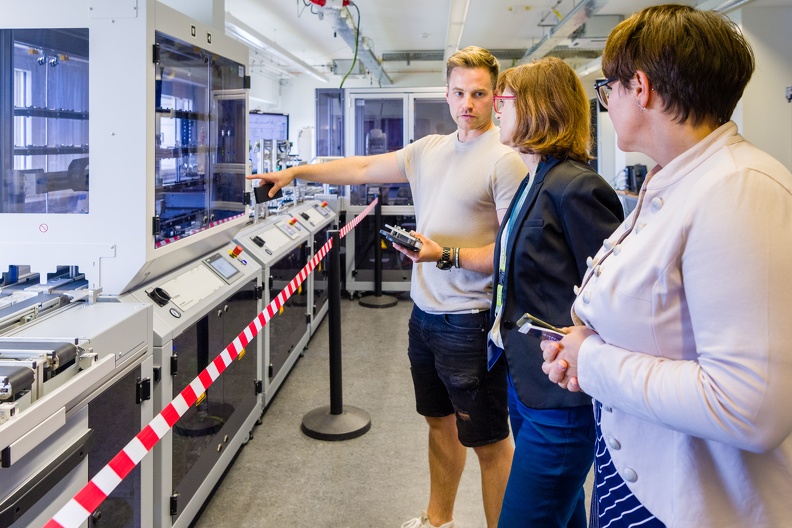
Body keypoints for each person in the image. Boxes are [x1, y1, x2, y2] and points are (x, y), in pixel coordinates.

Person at [248, 46, 526, 528]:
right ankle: (438, 520)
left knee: (487, 442)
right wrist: (296, 173)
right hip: (423, 316)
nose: (468, 104)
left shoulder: (505, 160)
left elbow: (509, 256)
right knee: (438, 424)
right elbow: (359, 168)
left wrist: (446, 255)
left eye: (479, 94)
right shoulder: (429, 150)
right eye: (459, 93)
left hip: (471, 321)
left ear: (495, 98)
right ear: (447, 93)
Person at [541, 5, 792, 527]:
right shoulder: (674, 179)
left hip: (690, 502)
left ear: (642, 88)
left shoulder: (738, 188)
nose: (605, 105)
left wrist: (593, 362)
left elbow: (747, 407)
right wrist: (581, 345)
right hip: (637, 468)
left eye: (608, 90)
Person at [483, 58, 623, 527]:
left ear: (538, 107)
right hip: (528, 381)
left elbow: (615, 299)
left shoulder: (578, 186)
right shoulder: (532, 180)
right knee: (561, 516)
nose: (495, 109)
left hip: (563, 400)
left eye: (504, 99)